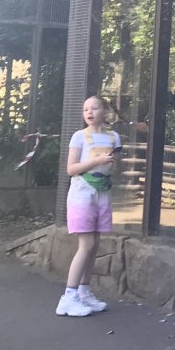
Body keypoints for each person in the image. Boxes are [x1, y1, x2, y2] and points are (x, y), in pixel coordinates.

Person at [57, 95, 121, 318]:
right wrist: (96, 161)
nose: (89, 112)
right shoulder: (79, 136)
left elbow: (115, 164)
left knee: (94, 245)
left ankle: (84, 292)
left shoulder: (114, 137)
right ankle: (68, 297)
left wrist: (110, 162)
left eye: (94, 108)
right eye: (86, 109)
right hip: (82, 194)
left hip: (102, 192)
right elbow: (71, 169)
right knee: (87, 244)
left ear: (105, 110)